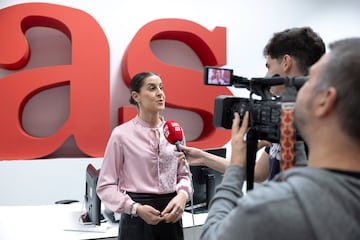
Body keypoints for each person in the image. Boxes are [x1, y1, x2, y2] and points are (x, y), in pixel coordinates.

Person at [198, 37, 360, 240]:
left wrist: (236, 167)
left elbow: (212, 236)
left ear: (325, 100)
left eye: (307, 83)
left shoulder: (270, 208)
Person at [180, 27, 325, 182]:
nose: (266, 76)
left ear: (286, 62)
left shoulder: (319, 121)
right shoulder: (281, 117)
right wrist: (203, 158)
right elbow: (257, 173)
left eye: (268, 66)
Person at [96, 72, 192, 240]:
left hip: (171, 215)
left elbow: (184, 175)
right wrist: (135, 208)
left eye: (161, 88)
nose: (160, 93)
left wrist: (183, 196)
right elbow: (105, 186)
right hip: (137, 217)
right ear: (136, 96)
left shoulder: (175, 131)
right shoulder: (121, 135)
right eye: (152, 88)